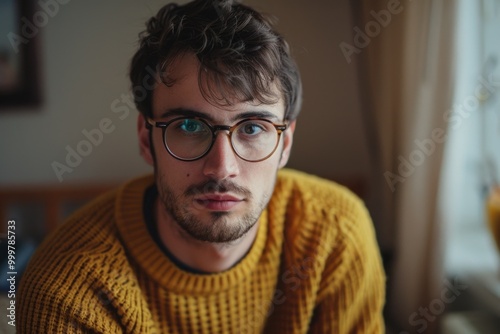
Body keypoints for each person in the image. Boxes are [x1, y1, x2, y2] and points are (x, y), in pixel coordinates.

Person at [18, 0, 386, 332]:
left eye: (253, 128)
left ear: (284, 144)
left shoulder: (336, 233)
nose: (222, 167)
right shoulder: (67, 291)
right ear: (147, 139)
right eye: (190, 126)